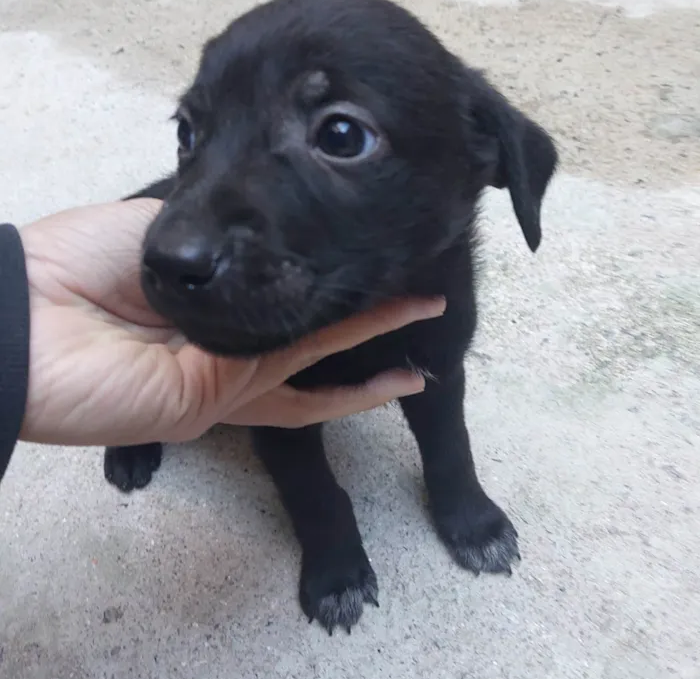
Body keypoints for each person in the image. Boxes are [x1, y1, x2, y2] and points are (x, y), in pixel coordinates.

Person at [0, 198, 445, 485]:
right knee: (285, 408)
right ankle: (131, 433)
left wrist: (454, 483)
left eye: (340, 138)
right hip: (166, 300)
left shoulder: (443, 296)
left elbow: (443, 385)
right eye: (189, 134)